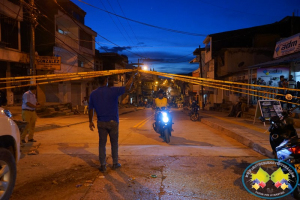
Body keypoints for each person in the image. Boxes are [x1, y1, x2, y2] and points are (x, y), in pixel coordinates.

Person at [89, 75, 134, 172]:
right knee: (114, 143)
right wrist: (132, 76)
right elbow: (127, 87)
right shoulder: (113, 90)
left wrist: (90, 121)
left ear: (98, 82)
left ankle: (103, 165)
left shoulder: (93, 93)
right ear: (106, 80)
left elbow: (90, 109)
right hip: (113, 121)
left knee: (102, 144)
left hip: (101, 122)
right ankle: (115, 163)